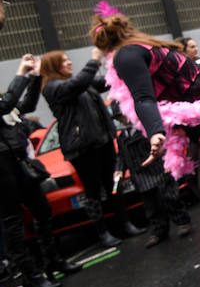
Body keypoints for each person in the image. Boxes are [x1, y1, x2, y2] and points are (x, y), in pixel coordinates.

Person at [92, 8, 200, 275]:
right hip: (196, 117)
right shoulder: (141, 47)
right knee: (196, 179)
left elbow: (143, 97)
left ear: (103, 48)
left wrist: (155, 131)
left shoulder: (126, 55)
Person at [41, 49, 146, 247]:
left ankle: (124, 224)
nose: (69, 63)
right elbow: (79, 82)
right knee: (92, 191)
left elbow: (102, 82)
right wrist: (94, 59)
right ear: (54, 67)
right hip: (82, 147)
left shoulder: (80, 83)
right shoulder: (54, 87)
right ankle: (103, 233)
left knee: (113, 185)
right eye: (64, 61)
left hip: (102, 141)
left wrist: (115, 61)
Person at [1, 55, 80, 287]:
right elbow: (6, 104)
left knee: (42, 210)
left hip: (18, 160)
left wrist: (34, 78)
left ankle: (52, 261)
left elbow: (26, 106)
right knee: (12, 222)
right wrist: (22, 73)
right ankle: (31, 277)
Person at [111, 105, 192, 248]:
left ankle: (182, 221)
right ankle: (158, 230)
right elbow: (121, 156)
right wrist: (119, 170)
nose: (123, 120)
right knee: (151, 205)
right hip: (140, 175)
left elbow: (163, 144)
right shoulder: (122, 137)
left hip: (157, 169)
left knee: (170, 197)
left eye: (123, 116)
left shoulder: (146, 129)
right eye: (120, 118)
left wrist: (169, 162)